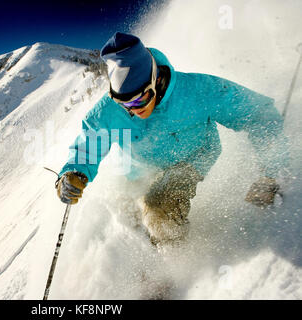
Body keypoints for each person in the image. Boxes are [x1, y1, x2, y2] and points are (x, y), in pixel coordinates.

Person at [55, 32, 288, 247]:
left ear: (156, 80)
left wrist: (270, 172)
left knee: (158, 211)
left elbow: (259, 115)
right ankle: (144, 252)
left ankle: (172, 264)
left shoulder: (198, 91)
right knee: (126, 216)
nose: (134, 109)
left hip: (191, 159)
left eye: (140, 100)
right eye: (125, 103)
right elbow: (90, 141)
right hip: (139, 170)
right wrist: (74, 172)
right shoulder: (111, 111)